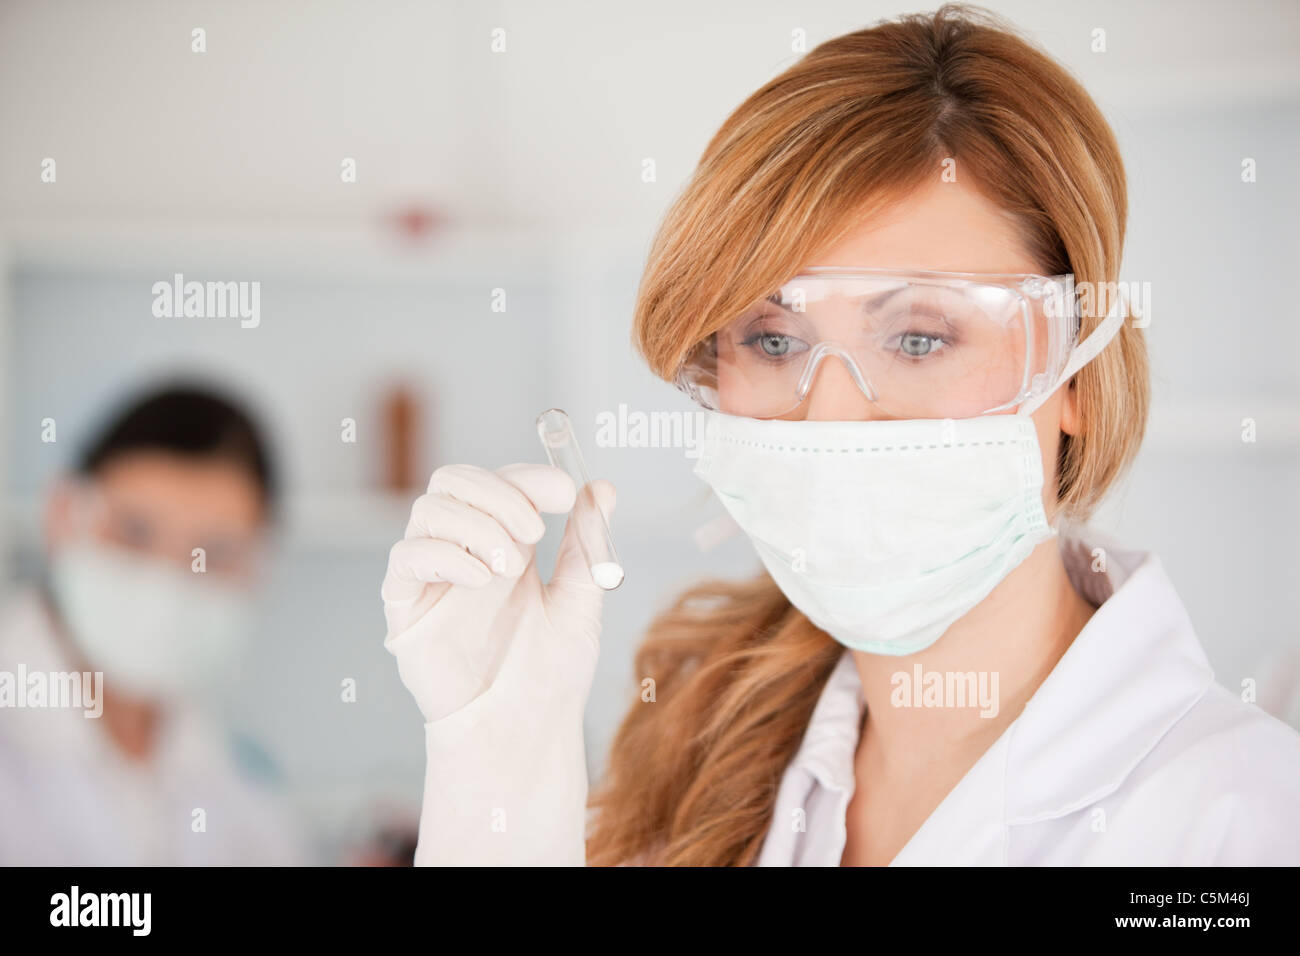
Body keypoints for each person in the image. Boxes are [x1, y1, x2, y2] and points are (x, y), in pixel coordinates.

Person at [380, 5, 1300, 865]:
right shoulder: (694, 752)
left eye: (918, 337)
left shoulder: (1236, 819)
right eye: (774, 340)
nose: (830, 418)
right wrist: (497, 771)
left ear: (1079, 381)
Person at [0, 384, 305, 865]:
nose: (169, 579)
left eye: (215, 554)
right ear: (62, 514)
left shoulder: (241, 774)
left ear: (258, 567)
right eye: (134, 532)